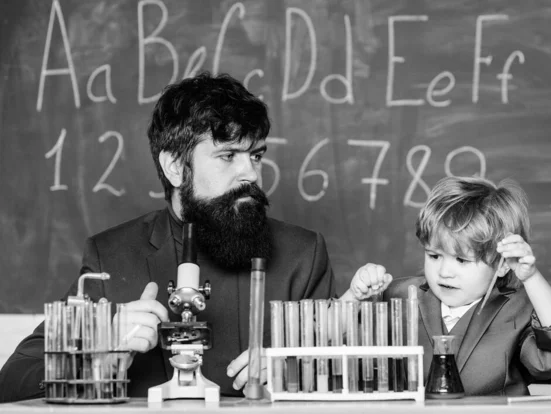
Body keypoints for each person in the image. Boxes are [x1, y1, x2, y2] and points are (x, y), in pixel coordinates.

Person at [0, 71, 391, 402]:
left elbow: (351, 379)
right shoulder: (110, 256)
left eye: (255, 155)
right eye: (227, 156)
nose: (251, 175)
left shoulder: (301, 254)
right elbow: (13, 379)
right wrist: (100, 349)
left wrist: (294, 371)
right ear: (174, 166)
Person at [383, 175, 551, 396]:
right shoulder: (399, 296)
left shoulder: (518, 309)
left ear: (501, 264)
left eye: (462, 260)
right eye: (434, 256)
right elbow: (344, 338)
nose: (443, 272)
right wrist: (354, 295)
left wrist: (532, 278)